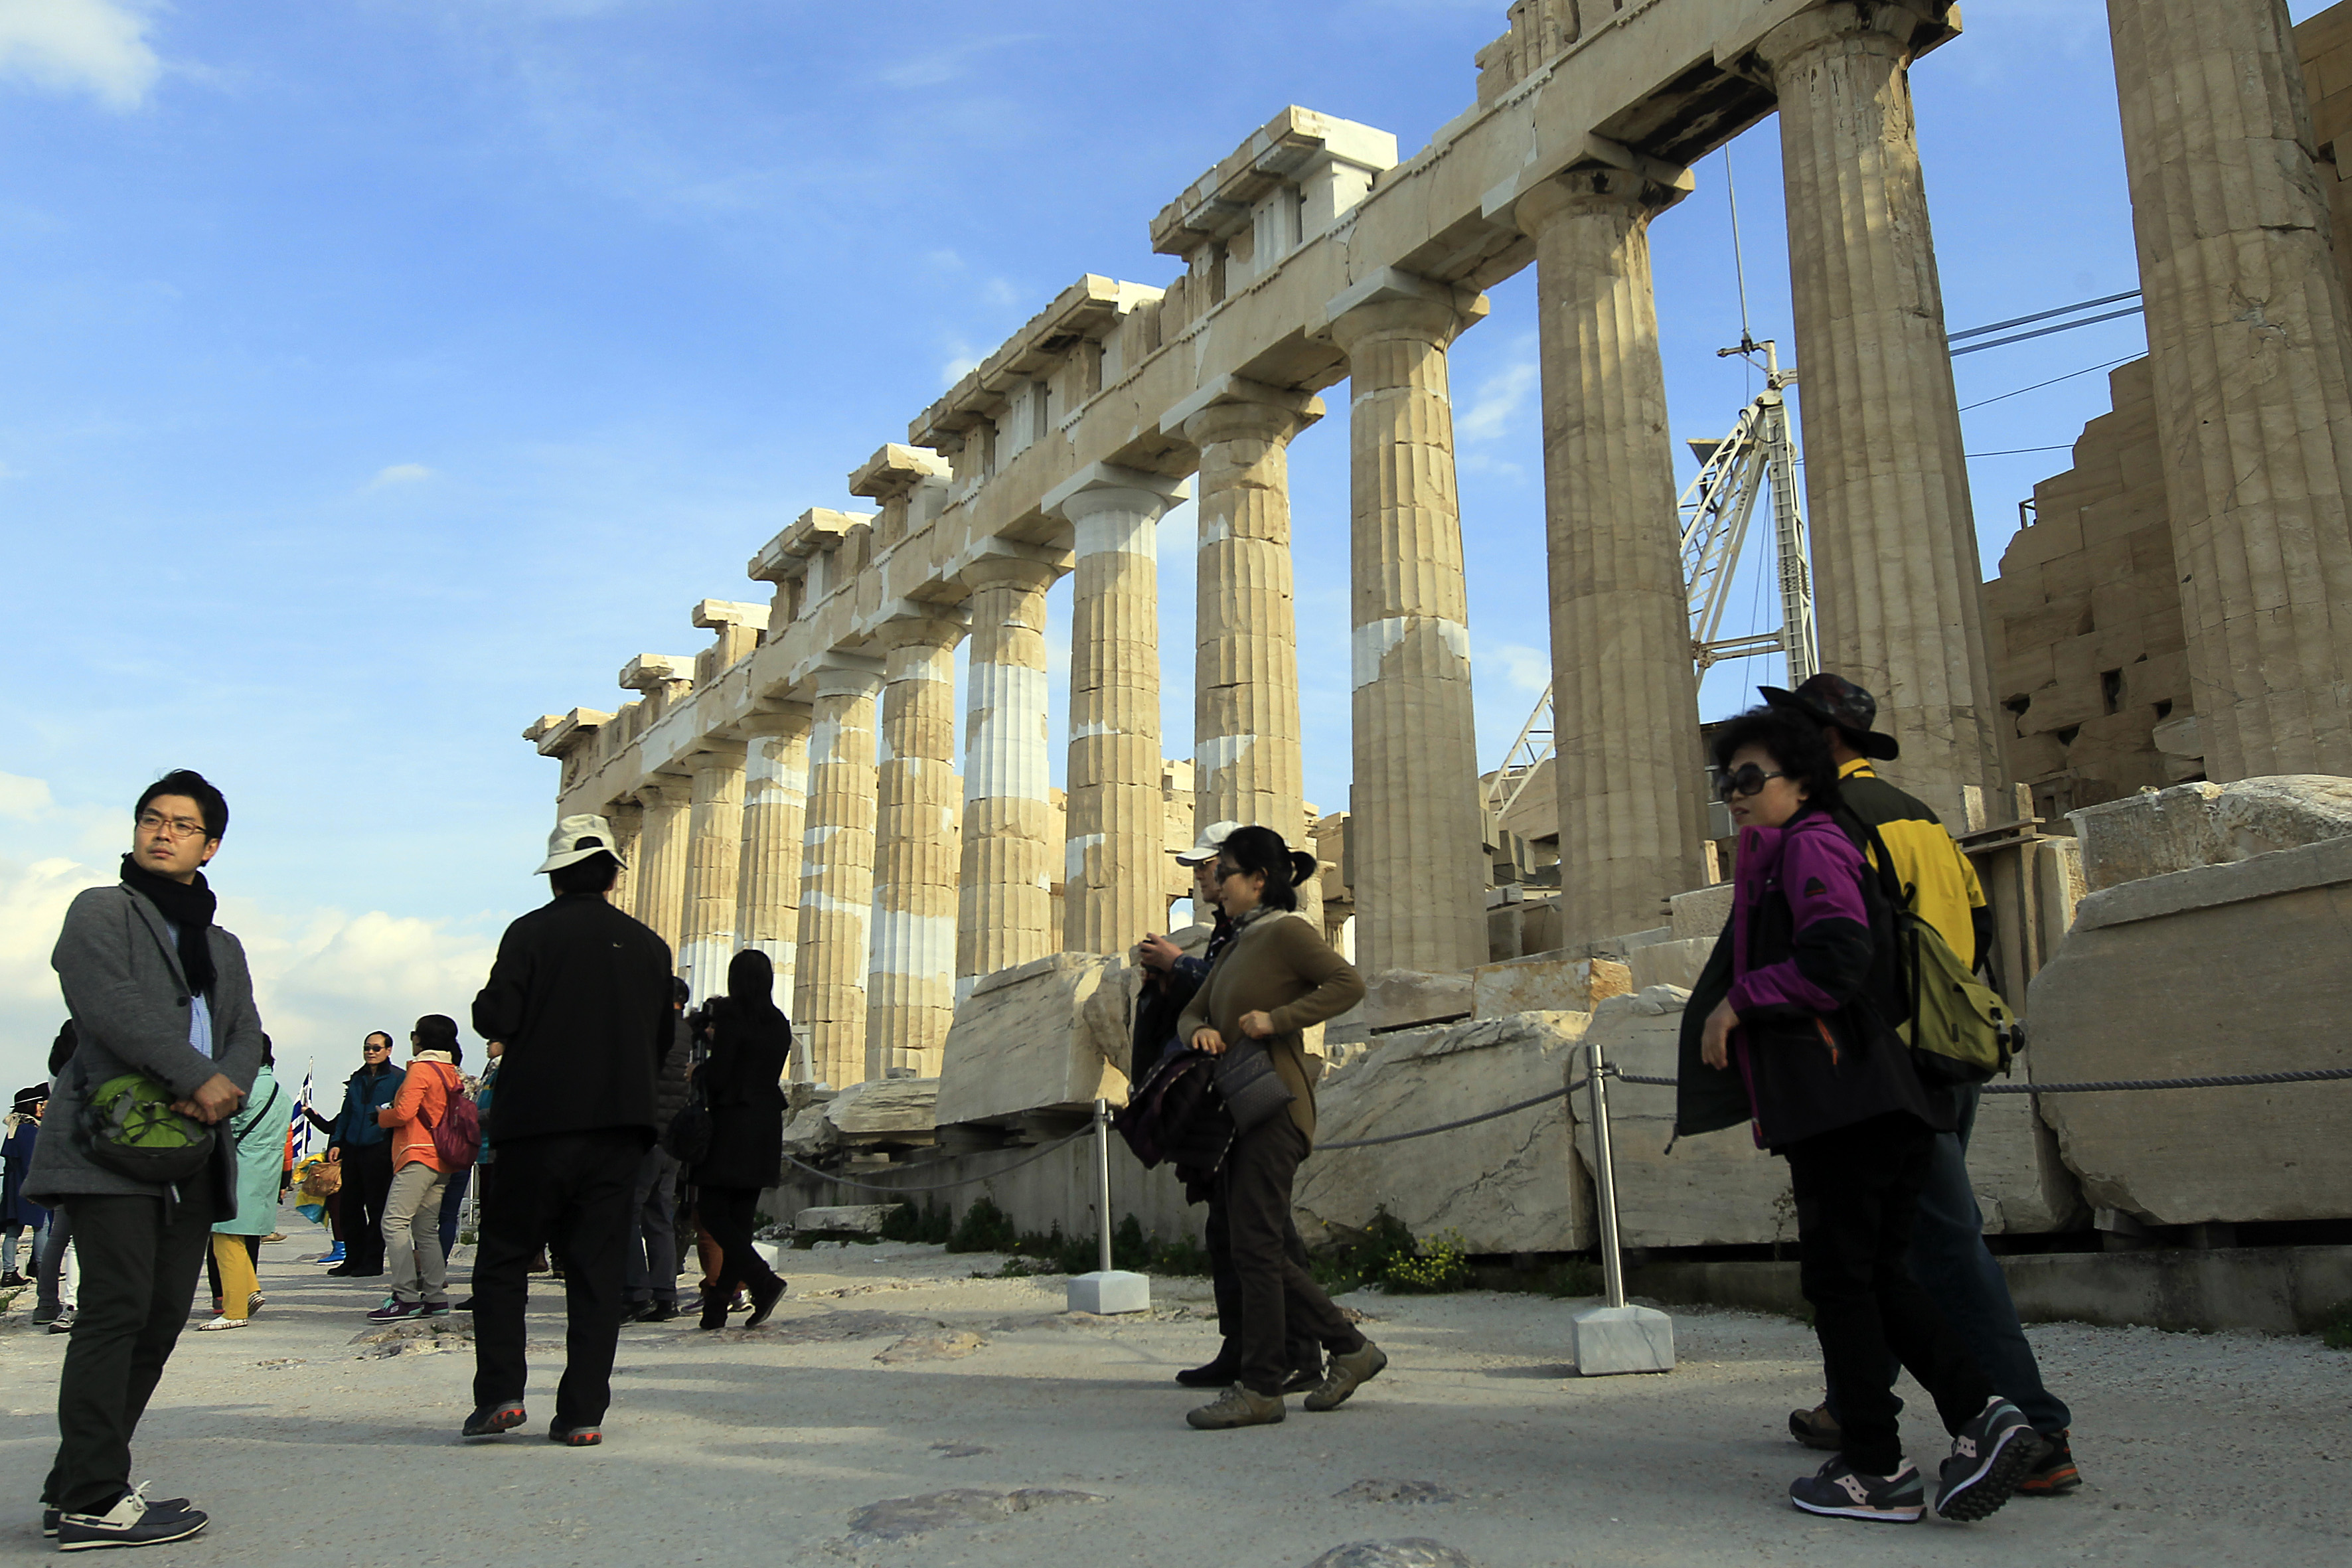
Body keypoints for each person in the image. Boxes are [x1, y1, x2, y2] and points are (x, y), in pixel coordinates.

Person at [1676, 707, 2044, 1523]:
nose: (1732, 794)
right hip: (1875, 1098)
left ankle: (1877, 1467)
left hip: (1848, 1102)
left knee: (1843, 1283)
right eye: (1725, 779)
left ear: (1803, 778)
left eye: (1748, 778)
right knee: (1879, 1278)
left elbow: (1838, 958)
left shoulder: (1812, 843)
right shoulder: (1797, 846)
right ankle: (1984, 1417)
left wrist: (1740, 1000)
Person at [1761, 674, 2080, 1496]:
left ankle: (2036, 1428)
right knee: (1885, 1244)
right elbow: (1977, 924)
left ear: (1825, 740)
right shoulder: (1921, 816)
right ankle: (1853, 1405)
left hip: (1888, 1064)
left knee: (1937, 1241)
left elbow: (1842, 946)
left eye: (1789, 726)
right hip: (1950, 1049)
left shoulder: (1832, 820)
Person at [27, 769, 263, 1548]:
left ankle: (76, 1485)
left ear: (211, 846)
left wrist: (222, 1087)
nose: (164, 833)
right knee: (116, 1308)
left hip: (193, 1148)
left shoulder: (222, 946)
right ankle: (96, 1495)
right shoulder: (102, 910)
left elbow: (245, 1028)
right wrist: (196, 1076)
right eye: (152, 819)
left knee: (160, 1318)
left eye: (183, 825)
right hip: (111, 1142)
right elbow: (107, 1003)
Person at [465, 815, 673, 1446]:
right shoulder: (649, 946)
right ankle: (582, 1412)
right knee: (596, 1271)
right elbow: (661, 1041)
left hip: (538, 1122)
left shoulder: (530, 933)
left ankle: (501, 1393)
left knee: (504, 1259)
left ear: (555, 877)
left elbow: (497, 1017)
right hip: (619, 1126)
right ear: (612, 876)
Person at [1173, 824, 1377, 1431]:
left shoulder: (1287, 932)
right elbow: (1191, 1011)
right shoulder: (1239, 941)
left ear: (1258, 880)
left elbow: (1348, 984)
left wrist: (1278, 1018)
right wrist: (1199, 1032)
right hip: (1236, 1110)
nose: (1215, 884)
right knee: (1252, 1245)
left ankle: (1265, 1385)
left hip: (1275, 1106)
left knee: (1257, 1246)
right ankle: (1346, 1349)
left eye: (1225, 874)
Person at [1134, 823, 1324, 1394]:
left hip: (1260, 1093)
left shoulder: (1274, 930)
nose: (1201, 877)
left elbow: (1335, 985)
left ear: (1247, 873)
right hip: (1220, 1096)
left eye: (1209, 867)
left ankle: (1307, 1353)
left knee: (1265, 1237)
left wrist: (1179, 964)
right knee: (1231, 1233)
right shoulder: (1232, 932)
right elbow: (1205, 1005)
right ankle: (1243, 1347)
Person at [689, 951, 790, 1332]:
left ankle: (763, 1280)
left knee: (713, 1212)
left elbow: (721, 1077)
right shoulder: (778, 1022)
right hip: (766, 1123)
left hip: (733, 1121)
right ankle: (716, 1308)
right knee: (741, 1219)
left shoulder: (733, 1018)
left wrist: (699, 1069)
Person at [370, 1016, 464, 1321]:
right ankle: (435, 1297)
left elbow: (404, 1113)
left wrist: (382, 1116)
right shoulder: (450, 1070)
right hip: (443, 1157)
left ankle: (406, 1296)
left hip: (417, 1153)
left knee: (393, 1223)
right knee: (426, 1230)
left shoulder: (421, 1069)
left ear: (419, 1039)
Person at [198, 1039, 284, 1330]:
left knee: (225, 1236)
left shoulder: (245, 1088)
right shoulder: (279, 1091)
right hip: (265, 1172)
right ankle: (249, 1289)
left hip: (240, 1169)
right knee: (239, 1236)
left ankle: (234, 1309)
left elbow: (224, 1125)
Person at [626, 982, 694, 1322]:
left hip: (649, 1132)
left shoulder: (654, 1031)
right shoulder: (690, 1034)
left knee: (627, 1212)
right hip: (676, 1136)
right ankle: (665, 1294)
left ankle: (636, 1292)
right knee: (660, 1215)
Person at [321, 1032, 402, 1277]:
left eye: (376, 1048)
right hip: (352, 1148)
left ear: (388, 1050)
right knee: (349, 1206)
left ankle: (372, 1261)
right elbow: (346, 1113)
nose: (371, 1052)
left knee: (377, 1208)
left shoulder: (398, 1078)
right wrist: (337, 1142)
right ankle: (352, 1259)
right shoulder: (357, 1078)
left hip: (380, 1148)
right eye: (367, 1047)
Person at [32, 1024, 80, 1332]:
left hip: (62, 1166)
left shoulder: (56, 1081)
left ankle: (46, 1302)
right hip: (88, 1167)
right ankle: (74, 1305)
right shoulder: (91, 1073)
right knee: (78, 1239)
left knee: (58, 1238)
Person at [3, 1085, 48, 1287]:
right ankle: (42, 1268)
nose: (41, 1107)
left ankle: (9, 1272)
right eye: (38, 1103)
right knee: (42, 1226)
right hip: (27, 1185)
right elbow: (31, 1162)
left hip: (13, 1185)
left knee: (13, 1231)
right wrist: (34, 1188)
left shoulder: (14, 1128)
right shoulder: (28, 1130)